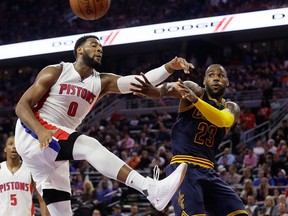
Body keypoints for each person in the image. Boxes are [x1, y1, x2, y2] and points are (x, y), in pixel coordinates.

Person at [14, 35, 192, 216]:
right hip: (35, 132)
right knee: (89, 146)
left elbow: (141, 82)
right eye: (94, 45)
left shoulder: (102, 81)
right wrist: (40, 130)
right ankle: (149, 189)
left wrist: (169, 67)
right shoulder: (56, 71)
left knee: (62, 212)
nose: (99, 49)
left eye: (101, 47)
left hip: (54, 149)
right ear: (80, 50)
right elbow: (21, 106)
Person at [130, 64, 248, 215]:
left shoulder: (232, 107)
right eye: (211, 75)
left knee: (240, 213)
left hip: (209, 171)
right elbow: (172, 87)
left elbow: (223, 120)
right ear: (204, 80)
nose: (216, 78)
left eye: (221, 76)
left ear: (227, 82)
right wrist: (158, 91)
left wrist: (195, 101)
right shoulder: (195, 90)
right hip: (183, 168)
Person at [0, 135, 50, 216]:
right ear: (5, 149)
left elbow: (42, 199)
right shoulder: (0, 169)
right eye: (10, 144)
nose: (14, 147)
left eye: (17, 144)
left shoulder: (30, 169)